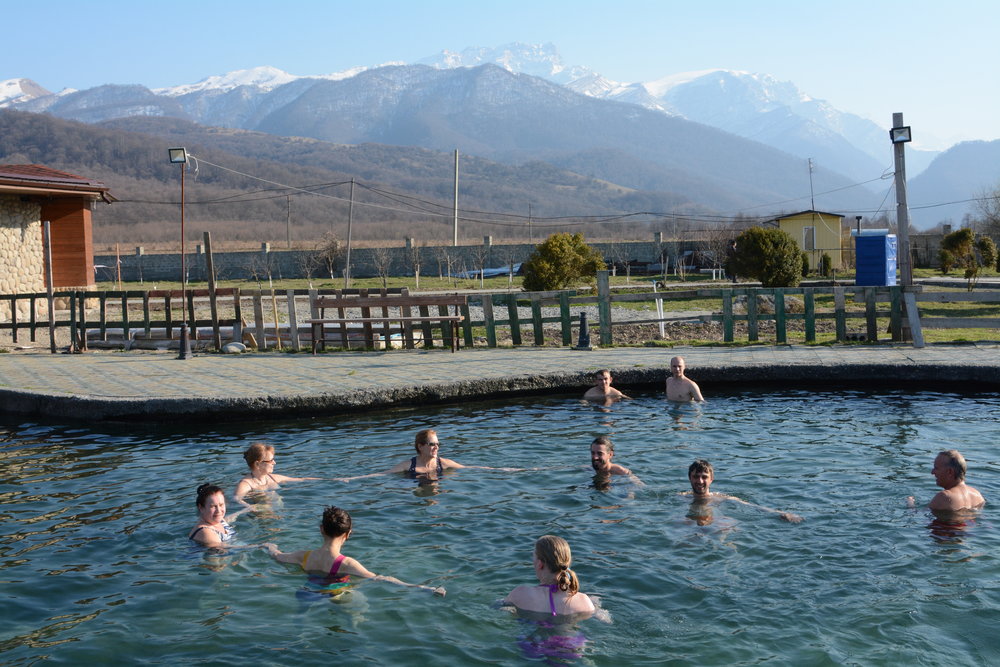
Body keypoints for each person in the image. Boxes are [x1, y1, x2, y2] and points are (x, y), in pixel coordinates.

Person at [263, 506, 445, 596]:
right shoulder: (346, 563)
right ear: (348, 534)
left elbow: (277, 556)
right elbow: (380, 578)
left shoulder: (304, 556)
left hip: (306, 594)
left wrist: (269, 546)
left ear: (321, 529)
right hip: (336, 596)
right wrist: (424, 588)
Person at [337, 429, 521, 482]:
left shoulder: (444, 463)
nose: (436, 448)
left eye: (438, 444)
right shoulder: (408, 465)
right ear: (421, 446)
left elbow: (471, 468)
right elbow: (383, 474)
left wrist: (502, 470)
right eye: (432, 444)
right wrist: (351, 478)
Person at [503, 535, 596, 617]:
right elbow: (604, 619)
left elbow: (498, 607)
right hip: (573, 637)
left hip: (534, 637)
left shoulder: (520, 594)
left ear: (540, 564)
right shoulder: (584, 601)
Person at [684, 459, 802, 523]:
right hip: (691, 524)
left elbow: (752, 506)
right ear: (690, 478)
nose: (700, 481)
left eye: (704, 477)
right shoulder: (682, 497)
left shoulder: (721, 497)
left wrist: (779, 513)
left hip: (715, 524)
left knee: (729, 525)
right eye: (696, 476)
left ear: (711, 479)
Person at [234, 442, 321, 508]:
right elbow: (236, 499)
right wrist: (250, 507)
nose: (274, 463)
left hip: (278, 514)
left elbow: (302, 479)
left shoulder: (273, 478)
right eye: (270, 460)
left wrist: (329, 480)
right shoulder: (246, 484)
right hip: (261, 516)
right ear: (257, 464)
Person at [912, 449, 986, 511]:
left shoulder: (945, 496)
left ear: (950, 472)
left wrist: (911, 504)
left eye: (936, 468)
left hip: (945, 528)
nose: (932, 472)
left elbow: (918, 515)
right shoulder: (978, 495)